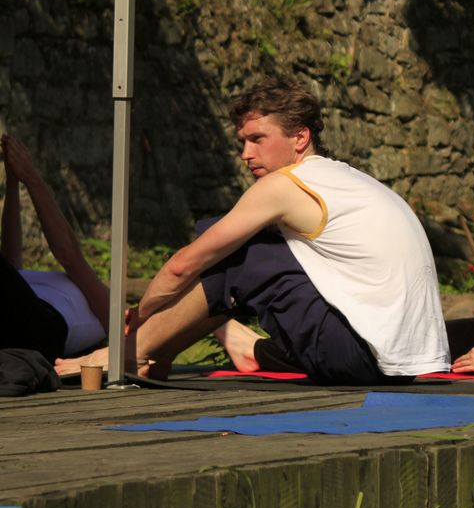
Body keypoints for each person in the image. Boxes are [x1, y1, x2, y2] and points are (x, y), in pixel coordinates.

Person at [55, 77, 450, 384]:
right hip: (398, 363)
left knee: (233, 251)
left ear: (300, 137)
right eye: (242, 142)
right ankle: (149, 355)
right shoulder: (342, 179)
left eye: (258, 139)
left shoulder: (285, 185)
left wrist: (137, 315)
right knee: (228, 237)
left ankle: (123, 353)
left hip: (360, 356)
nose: (246, 154)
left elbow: (182, 267)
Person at [1, 134, 108, 361]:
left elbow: (68, 255)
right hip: (19, 319)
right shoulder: (31, 283)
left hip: (44, 328)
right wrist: (12, 181)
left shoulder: (107, 303)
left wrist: (31, 177)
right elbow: (11, 261)